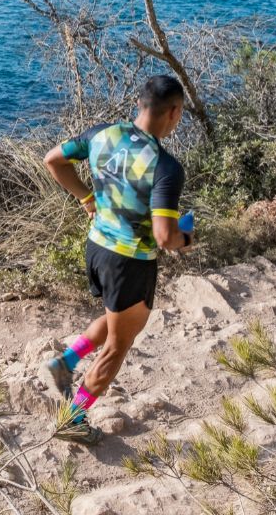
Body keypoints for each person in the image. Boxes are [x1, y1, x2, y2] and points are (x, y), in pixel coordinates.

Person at [40, 74, 195, 446]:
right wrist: (188, 238)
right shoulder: (165, 167)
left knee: (117, 319)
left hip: (96, 248)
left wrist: (86, 198)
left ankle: (66, 361)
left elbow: (53, 160)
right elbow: (164, 237)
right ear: (174, 113)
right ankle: (72, 420)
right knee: (116, 347)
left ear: (140, 104)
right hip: (130, 262)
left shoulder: (102, 134)